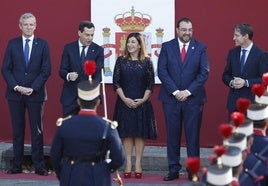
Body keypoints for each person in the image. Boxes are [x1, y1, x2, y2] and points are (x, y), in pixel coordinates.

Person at [157, 17, 209, 181]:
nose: (187, 33)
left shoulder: (200, 47)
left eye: (190, 30)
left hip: (193, 100)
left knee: (193, 137)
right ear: (177, 30)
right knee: (172, 136)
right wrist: (175, 92)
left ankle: (192, 171)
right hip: (171, 99)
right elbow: (162, 71)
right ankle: (173, 169)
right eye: (184, 29)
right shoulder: (167, 47)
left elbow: (204, 72)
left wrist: (186, 92)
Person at [1, 13, 51, 175]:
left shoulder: (43, 44)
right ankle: (17, 165)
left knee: (37, 131)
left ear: (35, 26)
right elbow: (5, 68)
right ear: (20, 26)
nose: (29, 27)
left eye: (32, 24)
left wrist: (33, 87)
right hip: (15, 94)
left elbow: (46, 69)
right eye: (26, 24)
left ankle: (39, 165)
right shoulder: (12, 44)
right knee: (18, 131)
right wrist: (16, 86)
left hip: (35, 94)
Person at [50, 79, 125, 186]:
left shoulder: (65, 125)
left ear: (78, 101)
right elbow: (119, 158)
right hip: (98, 176)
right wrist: (105, 169)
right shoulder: (107, 127)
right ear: (98, 101)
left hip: (71, 175)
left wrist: (63, 173)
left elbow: (55, 156)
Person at [113, 32, 157, 179]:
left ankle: (138, 163)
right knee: (126, 133)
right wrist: (125, 99)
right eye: (129, 42)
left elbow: (151, 83)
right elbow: (116, 82)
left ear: (140, 45)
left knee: (139, 133)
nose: (130, 45)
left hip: (142, 103)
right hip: (124, 102)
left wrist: (143, 99)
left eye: (133, 42)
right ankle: (128, 163)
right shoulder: (120, 61)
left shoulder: (147, 62)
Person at [59, 20, 104, 117]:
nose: (90, 38)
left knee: (86, 129)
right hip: (70, 96)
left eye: (92, 35)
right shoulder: (69, 48)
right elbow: (62, 70)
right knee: (69, 128)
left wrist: (91, 90)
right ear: (79, 33)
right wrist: (68, 75)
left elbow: (99, 74)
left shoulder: (98, 50)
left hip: (88, 98)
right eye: (87, 35)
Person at [222, 23, 268, 117]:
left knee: (250, 132)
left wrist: (246, 82)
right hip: (234, 105)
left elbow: (264, 80)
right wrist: (232, 82)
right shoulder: (232, 53)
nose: (233, 38)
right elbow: (225, 75)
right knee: (235, 132)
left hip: (252, 105)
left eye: (237, 35)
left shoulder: (260, 55)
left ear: (246, 36)